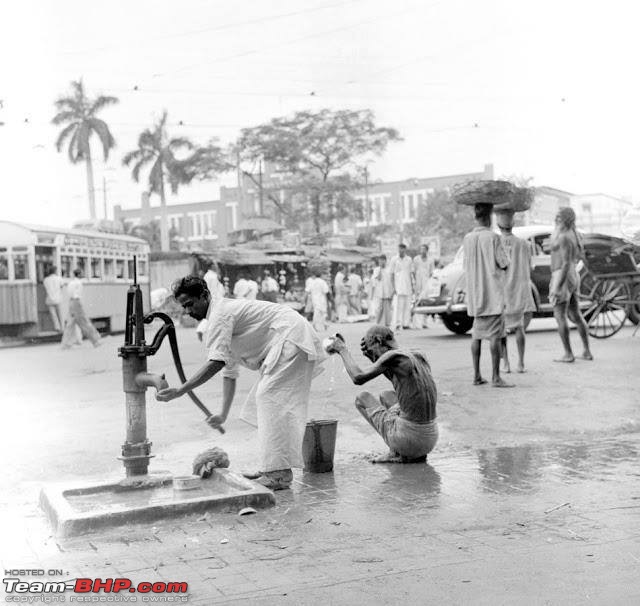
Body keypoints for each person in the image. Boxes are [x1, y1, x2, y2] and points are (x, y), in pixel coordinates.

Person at [156, 276, 325, 490]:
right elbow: (229, 372)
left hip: (291, 336)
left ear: (205, 295)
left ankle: (278, 474)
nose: (188, 311)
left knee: (268, 398)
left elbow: (216, 363)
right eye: (184, 307)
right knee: (266, 401)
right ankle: (272, 468)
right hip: (287, 339)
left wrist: (181, 390)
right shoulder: (218, 316)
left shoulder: (219, 314)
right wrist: (222, 415)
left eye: (190, 304)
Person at [327, 326, 438, 464]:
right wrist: (373, 357)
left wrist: (342, 349)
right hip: (430, 438)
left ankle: (395, 452)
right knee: (386, 395)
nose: (375, 357)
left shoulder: (392, 357)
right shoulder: (417, 354)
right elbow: (398, 381)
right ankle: (410, 452)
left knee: (362, 398)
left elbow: (358, 378)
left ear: (379, 341)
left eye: (371, 350)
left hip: (408, 440)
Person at [462, 203, 511, 387]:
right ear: (489, 216)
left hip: (476, 296)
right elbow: (504, 262)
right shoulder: (493, 237)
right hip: (492, 295)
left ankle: (476, 375)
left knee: (476, 336)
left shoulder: (467, 238)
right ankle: (496, 377)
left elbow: (465, 266)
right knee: (494, 337)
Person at [550, 207, 593, 363]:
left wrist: (556, 287)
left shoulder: (564, 236)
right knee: (576, 314)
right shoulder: (573, 234)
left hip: (562, 274)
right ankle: (587, 351)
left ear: (565, 219)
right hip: (573, 275)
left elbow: (566, 263)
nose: (555, 220)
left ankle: (568, 354)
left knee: (560, 316)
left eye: (558, 217)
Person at [496, 209, 536, 373]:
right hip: (520, 290)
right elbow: (529, 267)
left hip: (503, 291)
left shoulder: (496, 243)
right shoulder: (525, 244)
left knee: (501, 330)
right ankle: (521, 363)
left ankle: (505, 363)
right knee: (520, 328)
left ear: (499, 225)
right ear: (513, 224)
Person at [61, 269, 102, 349]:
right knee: (84, 322)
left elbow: (69, 293)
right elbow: (77, 295)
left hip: (71, 302)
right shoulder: (78, 283)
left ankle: (65, 344)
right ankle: (95, 341)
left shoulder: (71, 283)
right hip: (77, 302)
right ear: (79, 274)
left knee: (70, 323)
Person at [197, 262, 226, 342]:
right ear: (212, 266)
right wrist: (216, 300)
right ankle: (203, 330)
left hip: (213, 299)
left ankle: (202, 330)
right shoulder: (212, 276)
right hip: (215, 299)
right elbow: (213, 290)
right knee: (213, 317)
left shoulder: (208, 275)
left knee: (212, 316)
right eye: (216, 266)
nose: (217, 267)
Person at [390, 243, 414, 330]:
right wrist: (393, 287)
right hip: (398, 286)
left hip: (407, 285)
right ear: (398, 249)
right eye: (400, 249)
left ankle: (406, 324)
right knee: (398, 306)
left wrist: (413, 285)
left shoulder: (409, 259)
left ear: (405, 249)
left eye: (403, 249)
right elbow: (391, 274)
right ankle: (397, 323)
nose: (401, 250)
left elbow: (411, 273)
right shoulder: (394, 259)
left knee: (407, 306)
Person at [412, 245, 434, 328]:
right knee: (417, 302)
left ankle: (424, 323)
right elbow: (413, 272)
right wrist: (415, 283)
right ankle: (416, 323)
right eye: (421, 249)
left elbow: (431, 272)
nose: (422, 251)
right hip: (418, 283)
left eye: (424, 249)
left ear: (427, 250)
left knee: (425, 302)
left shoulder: (430, 260)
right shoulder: (416, 259)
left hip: (426, 284)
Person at [43, 265, 65, 332]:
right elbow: (62, 286)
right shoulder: (59, 278)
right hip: (58, 298)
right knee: (60, 314)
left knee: (53, 314)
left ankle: (57, 327)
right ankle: (62, 327)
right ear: (55, 271)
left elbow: (45, 288)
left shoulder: (45, 279)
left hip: (49, 299)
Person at [374, 255, 394, 327]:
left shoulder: (389, 269)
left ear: (385, 261)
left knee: (388, 308)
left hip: (388, 291)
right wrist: (380, 268)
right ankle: (377, 322)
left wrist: (392, 290)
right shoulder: (376, 269)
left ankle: (388, 323)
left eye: (383, 260)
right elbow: (378, 278)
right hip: (380, 292)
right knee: (380, 308)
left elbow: (391, 280)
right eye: (380, 260)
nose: (381, 262)